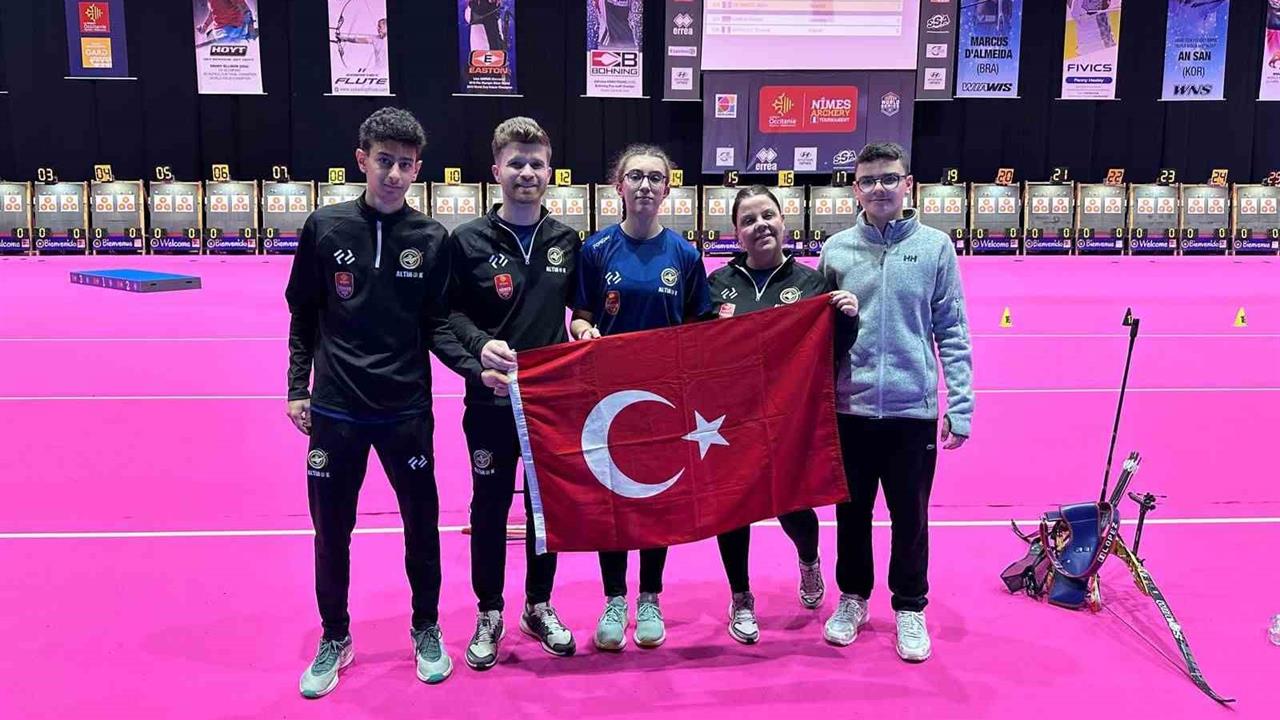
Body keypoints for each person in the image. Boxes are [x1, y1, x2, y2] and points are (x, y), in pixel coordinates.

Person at [287, 108, 473, 697]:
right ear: (361, 159)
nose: (394, 174)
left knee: (422, 526)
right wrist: (296, 387)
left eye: (406, 164)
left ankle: (426, 627)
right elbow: (304, 314)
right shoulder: (325, 227)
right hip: (336, 409)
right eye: (385, 161)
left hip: (405, 411)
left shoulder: (431, 239)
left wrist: (479, 369)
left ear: (418, 168)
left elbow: (438, 325)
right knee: (330, 531)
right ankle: (335, 635)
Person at [817, 142, 973, 663]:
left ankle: (909, 605)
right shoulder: (837, 250)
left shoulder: (935, 248)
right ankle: (853, 598)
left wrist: (960, 405)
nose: (879, 188)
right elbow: (817, 336)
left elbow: (952, 330)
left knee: (910, 517)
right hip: (851, 409)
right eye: (869, 180)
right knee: (851, 515)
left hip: (912, 412)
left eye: (889, 178)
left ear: (908, 184)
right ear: (855, 189)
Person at [442, 117, 581, 670]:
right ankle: (489, 611)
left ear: (550, 171)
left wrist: (584, 325)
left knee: (546, 509)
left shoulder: (566, 240)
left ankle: (538, 605)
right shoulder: (466, 241)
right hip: (490, 404)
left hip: (550, 406)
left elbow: (583, 307)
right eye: (516, 163)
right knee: (490, 507)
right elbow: (448, 314)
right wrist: (481, 348)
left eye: (536, 163)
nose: (527, 172)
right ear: (496, 169)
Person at [571, 144, 712, 650]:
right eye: (636, 176)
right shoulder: (596, 249)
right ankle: (614, 598)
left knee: (656, 497)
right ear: (619, 186)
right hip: (607, 397)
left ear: (668, 189)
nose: (645, 185)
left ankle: (650, 596)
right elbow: (581, 316)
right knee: (612, 497)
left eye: (656, 177)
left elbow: (700, 326)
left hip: (664, 400)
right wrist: (584, 333)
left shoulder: (685, 254)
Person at [708, 186, 859, 644]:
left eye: (767, 216)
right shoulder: (716, 285)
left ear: (783, 221)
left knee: (791, 504)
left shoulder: (812, 283)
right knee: (731, 510)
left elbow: (833, 349)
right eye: (748, 220)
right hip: (729, 421)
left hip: (788, 418)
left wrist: (848, 318)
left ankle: (809, 560)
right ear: (736, 233)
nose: (760, 226)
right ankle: (741, 597)